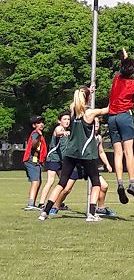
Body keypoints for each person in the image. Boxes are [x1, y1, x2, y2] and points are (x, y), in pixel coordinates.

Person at [38, 86, 108, 222]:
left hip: (71, 154)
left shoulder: (72, 111)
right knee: (96, 183)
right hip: (86, 154)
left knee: (61, 183)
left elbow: (77, 101)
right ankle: (91, 214)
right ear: (88, 98)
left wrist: (89, 91)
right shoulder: (89, 114)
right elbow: (108, 110)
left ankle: (44, 212)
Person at [49, 117, 115, 217]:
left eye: (98, 122)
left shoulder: (98, 138)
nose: (96, 124)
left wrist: (107, 164)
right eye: (94, 122)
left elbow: (101, 152)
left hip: (90, 166)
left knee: (104, 186)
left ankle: (101, 208)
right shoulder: (83, 136)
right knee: (66, 189)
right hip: (78, 166)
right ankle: (55, 206)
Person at [108, 48, 134, 205]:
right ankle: (133, 183)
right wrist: (128, 60)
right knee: (129, 152)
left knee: (117, 153)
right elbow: (129, 71)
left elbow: (124, 69)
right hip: (124, 116)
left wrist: (125, 57)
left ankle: (120, 182)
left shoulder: (116, 80)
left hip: (112, 117)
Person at [38, 110, 71, 209]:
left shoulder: (68, 131)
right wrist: (64, 133)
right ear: (59, 121)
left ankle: (57, 203)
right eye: (64, 119)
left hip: (61, 160)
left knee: (63, 183)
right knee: (50, 181)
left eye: (68, 119)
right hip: (53, 158)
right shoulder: (59, 128)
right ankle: (41, 203)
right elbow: (58, 132)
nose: (67, 121)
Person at [23, 116, 47, 210]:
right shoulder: (35, 133)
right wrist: (38, 137)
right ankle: (30, 204)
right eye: (38, 123)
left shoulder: (39, 134)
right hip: (31, 160)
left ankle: (32, 203)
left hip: (35, 160)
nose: (41, 124)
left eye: (42, 122)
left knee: (38, 182)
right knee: (35, 181)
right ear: (34, 125)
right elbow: (33, 144)